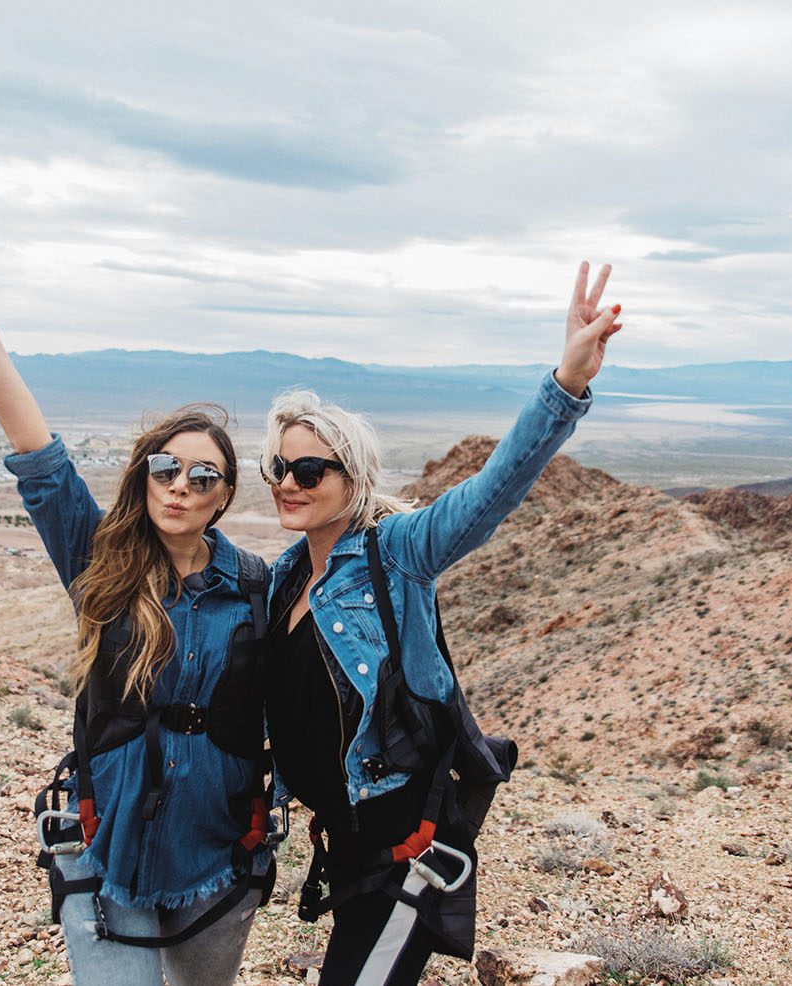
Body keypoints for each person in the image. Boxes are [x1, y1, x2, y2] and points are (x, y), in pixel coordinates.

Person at [0, 277, 275, 986]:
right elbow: (37, 453)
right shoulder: (100, 559)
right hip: (111, 847)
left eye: (202, 476)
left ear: (224, 495)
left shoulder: (256, 585)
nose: (180, 486)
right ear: (145, 472)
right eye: (166, 467)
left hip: (219, 855)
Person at [259, 262, 621, 986]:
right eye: (278, 466)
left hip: (409, 847)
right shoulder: (284, 578)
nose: (288, 483)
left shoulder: (399, 554)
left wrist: (566, 384)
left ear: (353, 479)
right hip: (347, 843)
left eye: (310, 470)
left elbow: (492, 491)